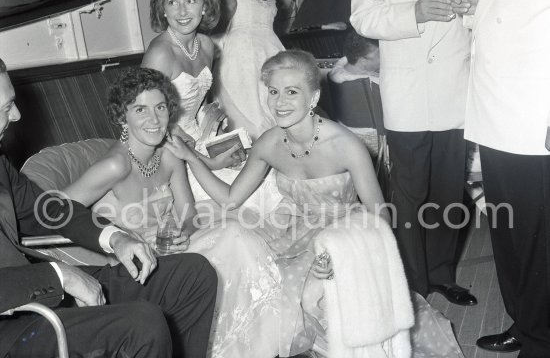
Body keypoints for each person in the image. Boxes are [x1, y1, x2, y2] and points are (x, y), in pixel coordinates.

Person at [165, 50, 465, 358]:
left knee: (307, 297)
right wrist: (191, 158)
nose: (279, 102)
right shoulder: (269, 143)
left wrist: (342, 252)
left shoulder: (344, 145)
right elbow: (229, 199)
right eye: (273, 92)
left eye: (291, 92)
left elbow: (381, 216)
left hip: (348, 234)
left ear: (313, 97)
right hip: (293, 233)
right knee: (257, 281)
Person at [0, 58, 217, 358]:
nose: (17, 114)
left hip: (41, 292)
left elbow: (48, 210)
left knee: (195, 274)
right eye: (5, 107)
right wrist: (59, 277)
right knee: (144, 323)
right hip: (12, 327)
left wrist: (115, 237)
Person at [350, 0, 493, 303]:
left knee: (451, 191)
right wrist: (412, 12)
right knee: (410, 194)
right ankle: (412, 284)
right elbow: (363, 17)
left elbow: (495, 15)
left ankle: (443, 273)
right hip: (408, 94)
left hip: (457, 88)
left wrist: (475, 5)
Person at [62, 67, 281, 358]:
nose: (154, 120)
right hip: (134, 269)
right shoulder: (115, 166)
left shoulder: (168, 155)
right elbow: (56, 211)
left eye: (160, 107)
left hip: (173, 253)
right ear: (121, 118)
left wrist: (184, 232)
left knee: (236, 234)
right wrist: (115, 238)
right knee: (231, 241)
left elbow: (189, 214)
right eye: (140, 109)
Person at [460, 0, 550, 356]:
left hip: (532, 119)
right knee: (511, 234)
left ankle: (542, 340)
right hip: (496, 117)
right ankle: (524, 320)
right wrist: (477, 7)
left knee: (539, 242)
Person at [142, 0, 238, 169]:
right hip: (164, 149)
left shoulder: (205, 45)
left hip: (195, 141)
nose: (182, 11)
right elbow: (147, 120)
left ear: (204, 6)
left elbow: (200, 104)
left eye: (191, 1)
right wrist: (209, 163)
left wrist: (217, 137)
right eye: (172, 2)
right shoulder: (160, 53)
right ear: (163, 9)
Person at [212, 0, 285, 140]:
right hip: (272, 48)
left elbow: (229, 6)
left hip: (242, 49)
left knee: (243, 109)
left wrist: (208, 33)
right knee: (270, 105)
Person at [328, 31, 381, 156]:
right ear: (363, 61)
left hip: (346, 138)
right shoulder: (371, 85)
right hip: (376, 145)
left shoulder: (336, 72)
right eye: (379, 53)